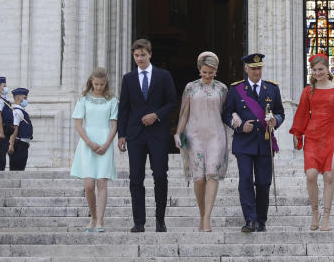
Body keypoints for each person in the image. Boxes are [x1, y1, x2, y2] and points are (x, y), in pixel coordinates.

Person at [117, 40, 178, 233]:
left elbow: (172, 102)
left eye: (143, 55)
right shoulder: (128, 78)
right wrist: (121, 134)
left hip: (158, 134)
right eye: (136, 55)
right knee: (136, 178)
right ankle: (139, 222)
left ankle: (160, 221)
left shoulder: (163, 76)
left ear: (150, 54)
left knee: (160, 176)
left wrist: (156, 115)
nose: (140, 59)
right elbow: (124, 108)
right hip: (135, 135)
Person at [222, 53, 284, 233]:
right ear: (246, 69)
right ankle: (249, 220)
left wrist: (276, 121)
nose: (257, 71)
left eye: (260, 68)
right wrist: (240, 126)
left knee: (264, 183)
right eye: (254, 68)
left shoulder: (271, 89)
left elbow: (280, 112)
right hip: (244, 143)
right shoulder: (236, 90)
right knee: (246, 180)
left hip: (264, 142)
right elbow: (227, 114)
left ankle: (261, 220)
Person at [290, 53, 334, 232]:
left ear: (328, 69)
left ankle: (326, 216)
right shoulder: (307, 91)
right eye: (314, 70)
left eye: (321, 69)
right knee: (310, 175)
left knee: (328, 176)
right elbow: (302, 113)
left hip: (331, 136)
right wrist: (297, 133)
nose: (317, 73)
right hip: (312, 136)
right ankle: (314, 212)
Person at [174, 51, 228, 232]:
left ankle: (207, 218)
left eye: (211, 72)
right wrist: (178, 133)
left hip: (216, 135)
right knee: (198, 178)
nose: (207, 75)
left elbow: (226, 113)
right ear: (199, 70)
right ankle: (201, 212)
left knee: (212, 174)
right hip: (194, 135)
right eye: (204, 72)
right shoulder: (191, 87)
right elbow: (184, 113)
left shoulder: (222, 89)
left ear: (216, 71)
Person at [71, 68, 118, 232]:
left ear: (106, 83)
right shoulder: (83, 99)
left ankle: (100, 221)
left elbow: (114, 125)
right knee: (89, 185)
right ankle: (93, 216)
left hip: (105, 141)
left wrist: (106, 144)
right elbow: (78, 124)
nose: (99, 87)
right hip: (87, 142)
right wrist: (89, 143)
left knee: (102, 182)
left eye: (102, 84)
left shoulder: (112, 100)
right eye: (96, 84)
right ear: (91, 82)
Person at [9, 88, 32, 171]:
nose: (26, 100)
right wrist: (11, 145)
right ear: (18, 98)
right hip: (19, 145)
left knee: (20, 168)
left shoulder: (21, 111)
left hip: (23, 145)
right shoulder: (17, 111)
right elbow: (15, 128)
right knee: (17, 170)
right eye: (25, 98)